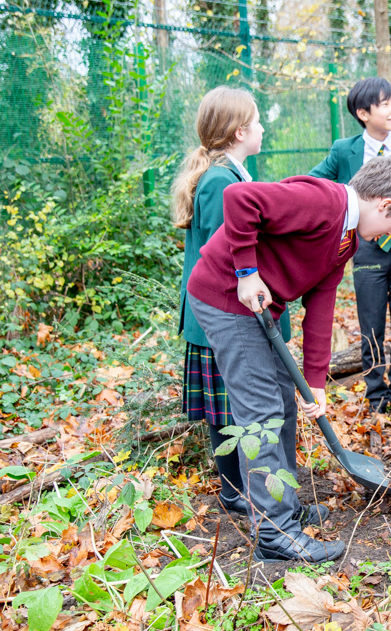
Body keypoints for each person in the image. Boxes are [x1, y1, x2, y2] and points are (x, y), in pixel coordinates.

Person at [187, 155, 391, 563]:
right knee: (260, 412)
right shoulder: (323, 202)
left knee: (283, 401)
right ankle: (276, 533)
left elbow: (322, 299)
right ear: (384, 205)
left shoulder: (347, 236)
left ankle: (284, 502)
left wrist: (315, 377)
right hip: (227, 299)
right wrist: (247, 272)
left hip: (260, 311)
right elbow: (240, 197)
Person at [309, 78, 391, 421]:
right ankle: (375, 394)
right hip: (365, 245)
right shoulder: (344, 149)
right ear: (363, 113)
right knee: (370, 323)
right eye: (385, 104)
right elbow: (316, 181)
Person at [172, 86, 264, 516]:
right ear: (240, 131)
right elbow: (222, 258)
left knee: (230, 403)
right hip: (219, 318)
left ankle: (241, 488)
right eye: (258, 121)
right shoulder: (219, 182)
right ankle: (234, 492)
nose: (263, 127)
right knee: (226, 409)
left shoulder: (231, 175)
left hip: (222, 316)